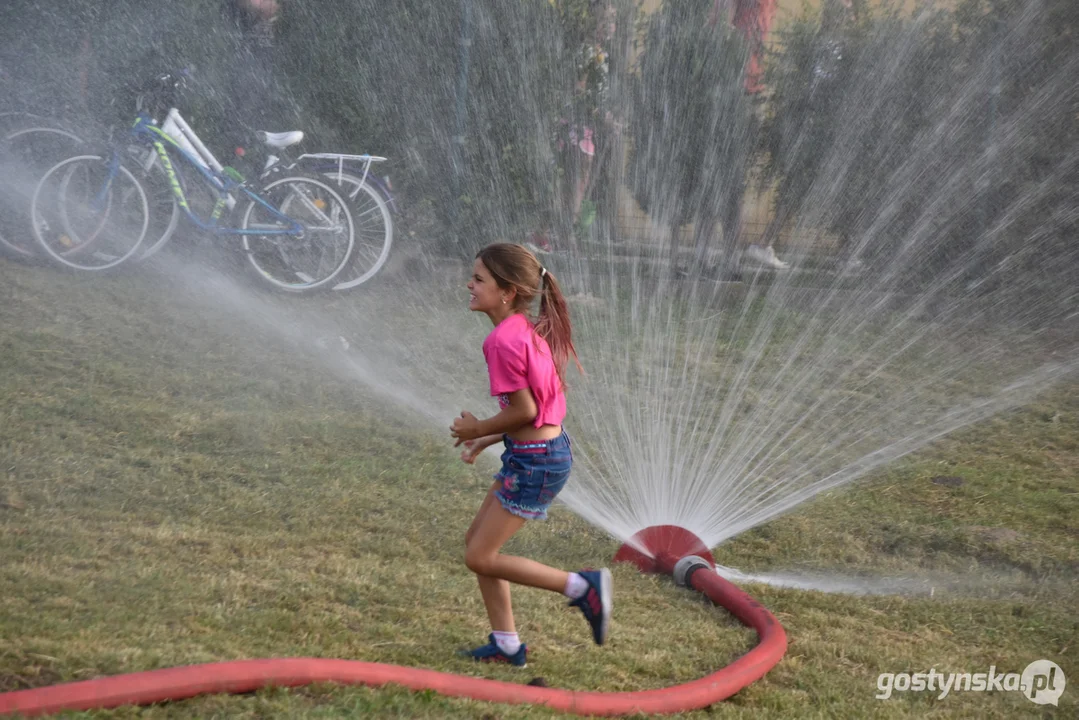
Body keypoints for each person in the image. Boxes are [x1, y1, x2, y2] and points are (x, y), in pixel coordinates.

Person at [450, 243, 611, 667]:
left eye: (479, 279)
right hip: (539, 452)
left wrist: (477, 428)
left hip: (536, 460)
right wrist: (488, 441)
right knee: (476, 545)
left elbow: (526, 410)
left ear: (506, 292)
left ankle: (582, 587)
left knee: (480, 556)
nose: (470, 284)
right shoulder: (526, 329)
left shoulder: (502, 341)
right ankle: (506, 645)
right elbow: (535, 410)